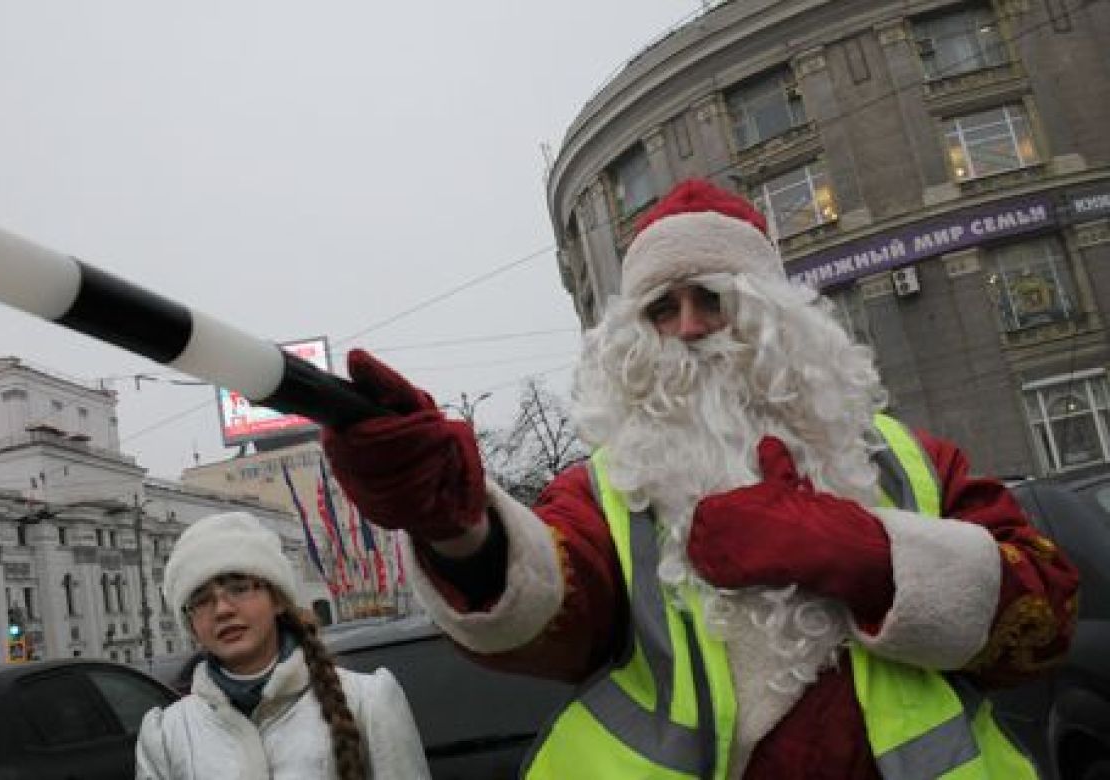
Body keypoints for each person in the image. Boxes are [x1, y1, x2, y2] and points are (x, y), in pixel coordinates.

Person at [322, 178, 1080, 779]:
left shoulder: (900, 460)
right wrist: (454, 524)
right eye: (662, 309)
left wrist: (869, 554)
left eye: (712, 299)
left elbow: (1040, 627)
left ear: (776, 319)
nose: (687, 328)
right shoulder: (609, 490)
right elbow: (545, 618)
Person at [136, 511, 429, 780]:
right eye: (201, 600)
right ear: (191, 626)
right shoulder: (167, 734)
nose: (222, 609)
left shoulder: (367, 701)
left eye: (239, 588)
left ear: (277, 599)